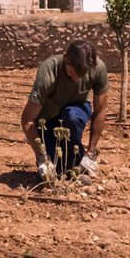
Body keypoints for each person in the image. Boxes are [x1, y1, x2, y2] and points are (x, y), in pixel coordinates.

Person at [20, 40, 109, 184]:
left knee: (72, 117)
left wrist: (91, 153)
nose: (76, 79)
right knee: (54, 171)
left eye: (81, 75)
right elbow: (27, 119)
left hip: (75, 111)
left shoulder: (98, 68)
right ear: (65, 57)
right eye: (73, 73)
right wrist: (42, 157)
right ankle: (60, 164)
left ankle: (79, 162)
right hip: (47, 120)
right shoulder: (49, 70)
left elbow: (100, 110)